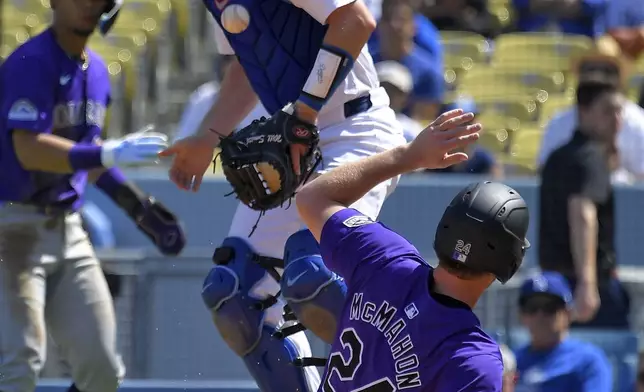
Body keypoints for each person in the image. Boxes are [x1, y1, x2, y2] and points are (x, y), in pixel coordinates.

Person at [159, 0, 408, 390]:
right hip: (292, 141)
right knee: (235, 294)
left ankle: (418, 366)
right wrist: (208, 136)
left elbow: (356, 21)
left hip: (354, 129)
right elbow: (247, 65)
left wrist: (304, 113)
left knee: (313, 277)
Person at [0, 0, 181, 391]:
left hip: (68, 229)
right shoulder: (30, 61)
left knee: (101, 368)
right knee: (17, 366)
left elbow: (88, 156)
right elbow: (28, 149)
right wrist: (104, 152)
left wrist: (137, 206)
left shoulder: (97, 71)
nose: (86, 4)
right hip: (11, 228)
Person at [295, 109, 531, 391]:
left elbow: (312, 197)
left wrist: (407, 157)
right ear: (508, 262)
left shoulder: (384, 256)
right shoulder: (473, 359)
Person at [539, 79, 630, 329]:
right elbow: (582, 213)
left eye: (620, 111)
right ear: (583, 111)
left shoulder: (558, 157)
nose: (617, 119)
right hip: (587, 285)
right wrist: (587, 283)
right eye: (607, 111)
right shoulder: (591, 157)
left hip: (555, 283)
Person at [537, 36, 644, 181]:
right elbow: (547, 175)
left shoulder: (638, 122)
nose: (597, 77)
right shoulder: (559, 123)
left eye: (607, 71)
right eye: (590, 69)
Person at [514, 272, 613, 392]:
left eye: (549, 307)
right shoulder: (512, 361)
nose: (540, 315)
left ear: (568, 313)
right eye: (532, 308)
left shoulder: (587, 360)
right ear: (522, 315)